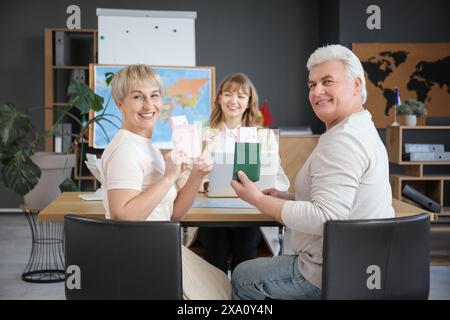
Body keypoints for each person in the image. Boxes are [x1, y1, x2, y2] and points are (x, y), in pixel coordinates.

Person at [230, 44, 395, 300]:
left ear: (355, 85)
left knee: (242, 277)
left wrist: (259, 200)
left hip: (331, 273)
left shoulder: (344, 139)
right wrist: (289, 197)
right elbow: (342, 204)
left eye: (327, 81)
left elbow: (326, 216)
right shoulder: (359, 127)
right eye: (312, 84)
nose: (317, 91)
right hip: (364, 265)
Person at [100, 64, 231, 300]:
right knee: (220, 292)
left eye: (154, 95)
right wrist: (169, 176)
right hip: (142, 256)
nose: (149, 105)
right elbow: (123, 217)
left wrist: (196, 176)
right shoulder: (125, 150)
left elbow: (174, 213)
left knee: (222, 283)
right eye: (137, 97)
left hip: (159, 246)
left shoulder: (146, 146)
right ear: (120, 104)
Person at [177, 73, 290, 273]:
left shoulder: (263, 137)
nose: (233, 101)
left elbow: (281, 181)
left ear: (248, 102)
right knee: (216, 247)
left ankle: (242, 299)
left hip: (249, 214)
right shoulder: (202, 134)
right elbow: (183, 178)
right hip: (211, 216)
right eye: (228, 94)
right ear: (219, 98)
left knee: (245, 247)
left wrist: (259, 188)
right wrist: (203, 183)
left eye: (241, 96)